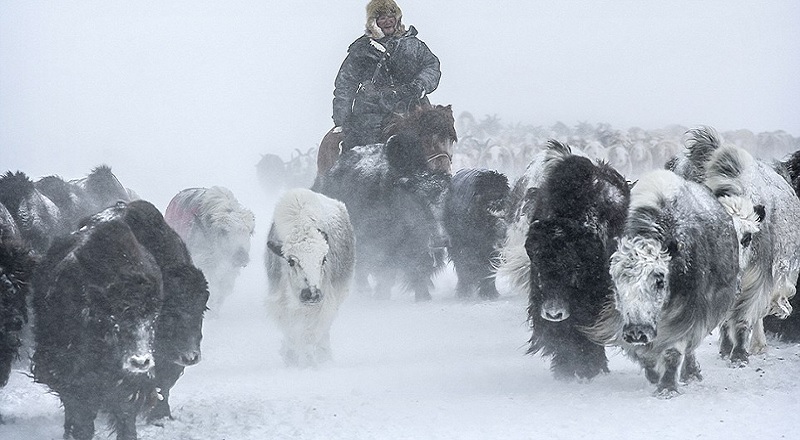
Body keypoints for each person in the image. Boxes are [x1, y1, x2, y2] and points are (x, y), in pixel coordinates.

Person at [332, 0, 442, 152]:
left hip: (412, 104)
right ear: (373, 22)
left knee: (436, 138)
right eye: (382, 17)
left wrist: (421, 84)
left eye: (391, 16)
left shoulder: (413, 45)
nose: (388, 20)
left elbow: (432, 66)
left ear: (397, 18)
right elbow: (345, 85)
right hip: (373, 111)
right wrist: (341, 119)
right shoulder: (361, 50)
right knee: (363, 151)